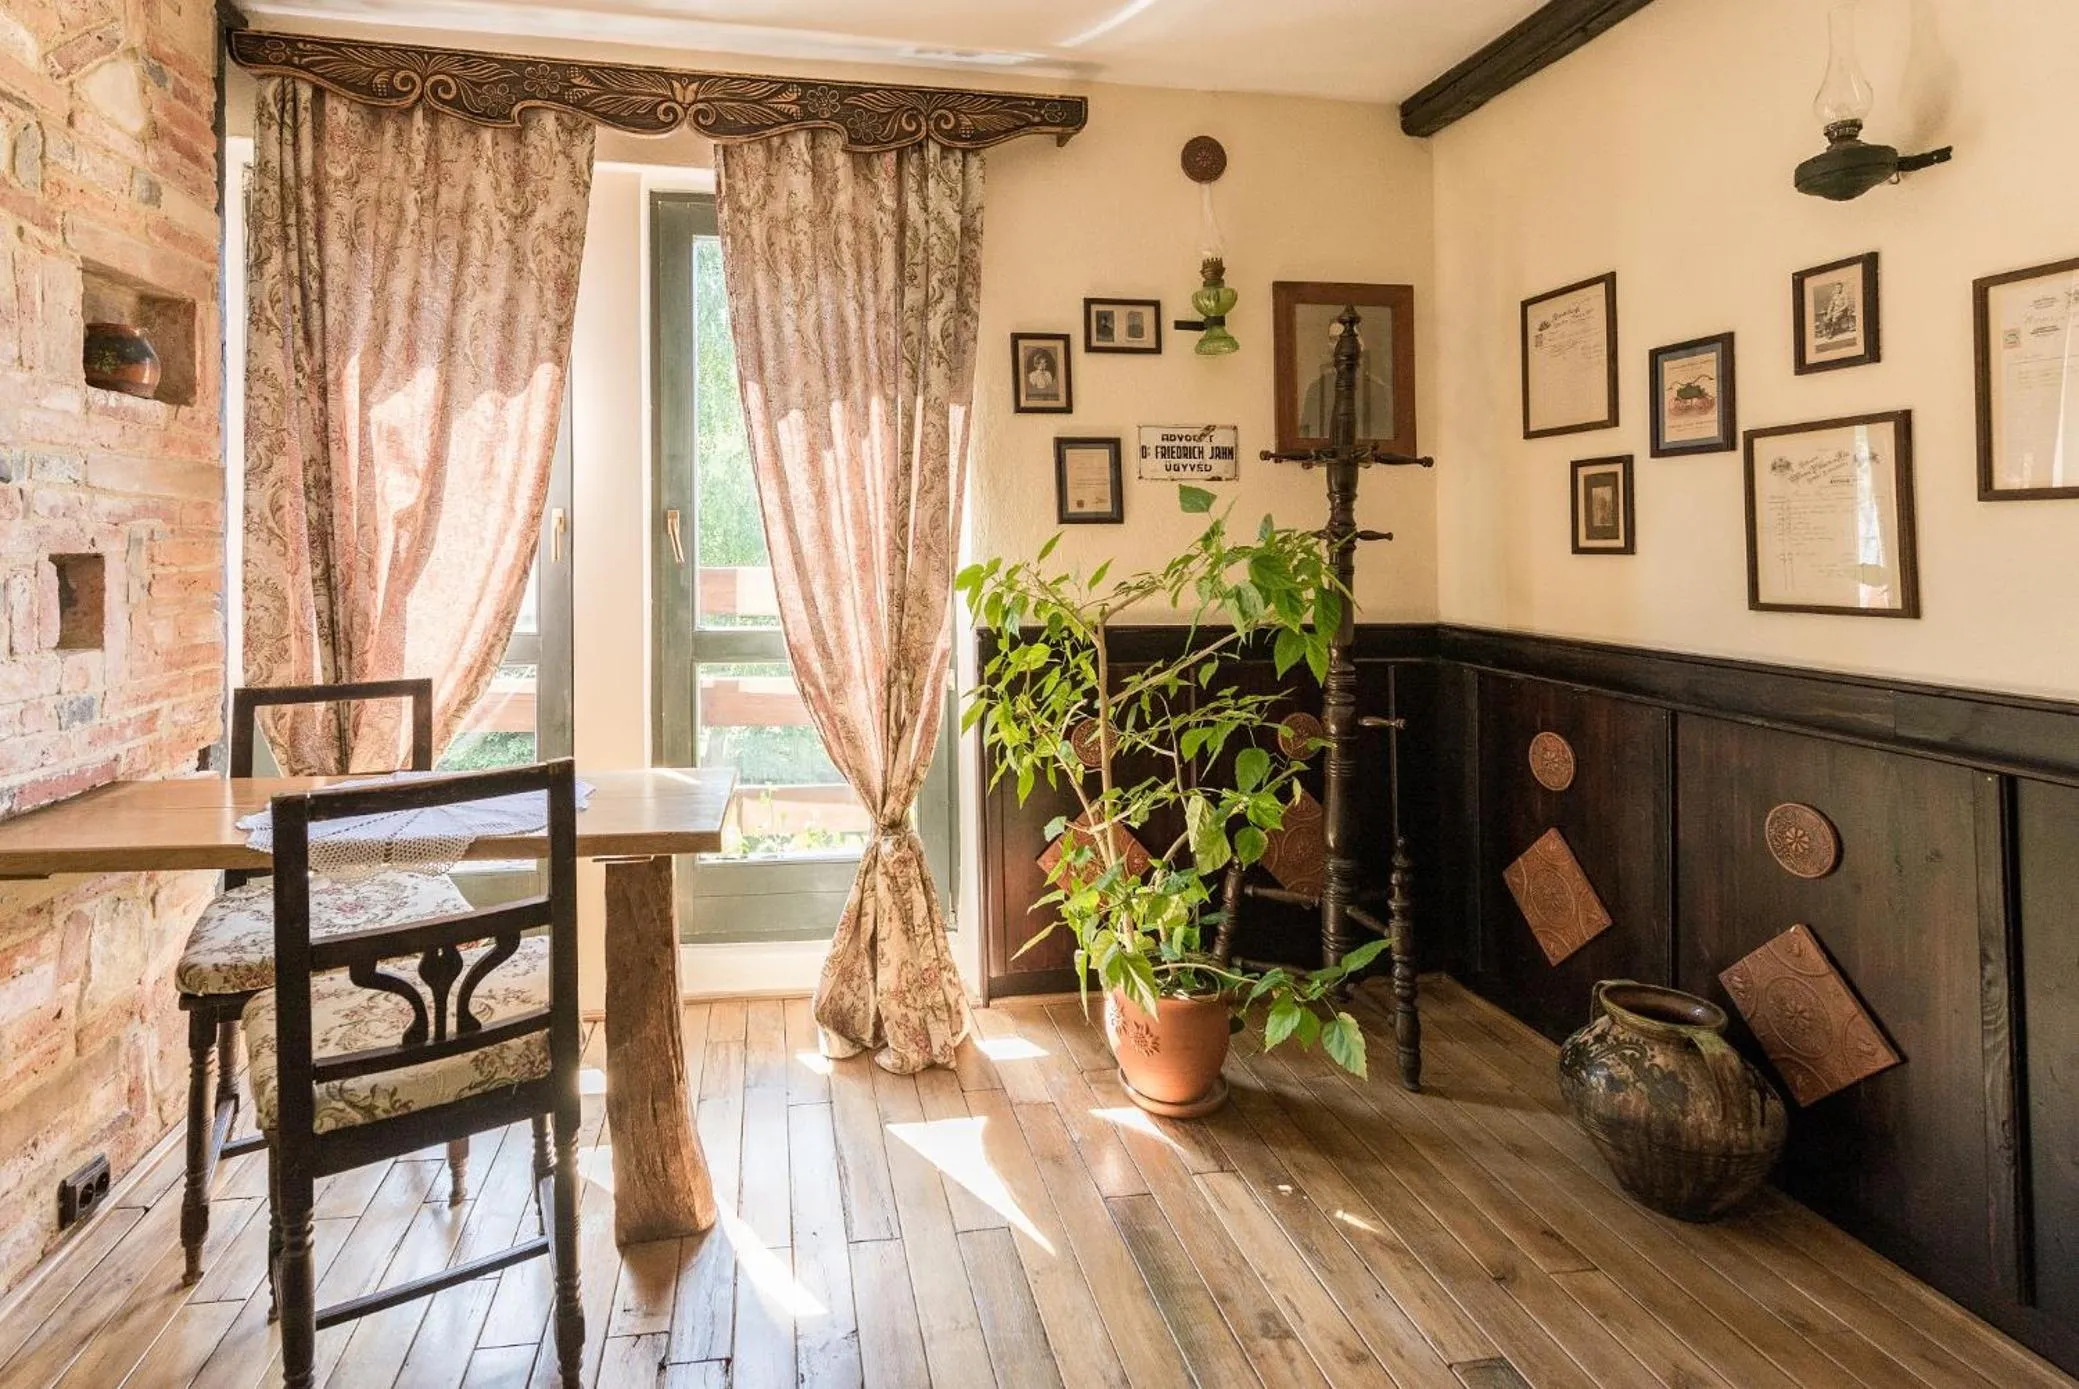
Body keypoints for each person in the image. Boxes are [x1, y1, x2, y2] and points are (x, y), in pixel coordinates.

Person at [1299, 316, 1393, 437]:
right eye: (1334, 340)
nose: (1340, 345)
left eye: (1346, 338)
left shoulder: (1376, 390)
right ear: (1328, 346)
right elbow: (1305, 436)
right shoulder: (1316, 390)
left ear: (1361, 344)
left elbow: (1383, 436)